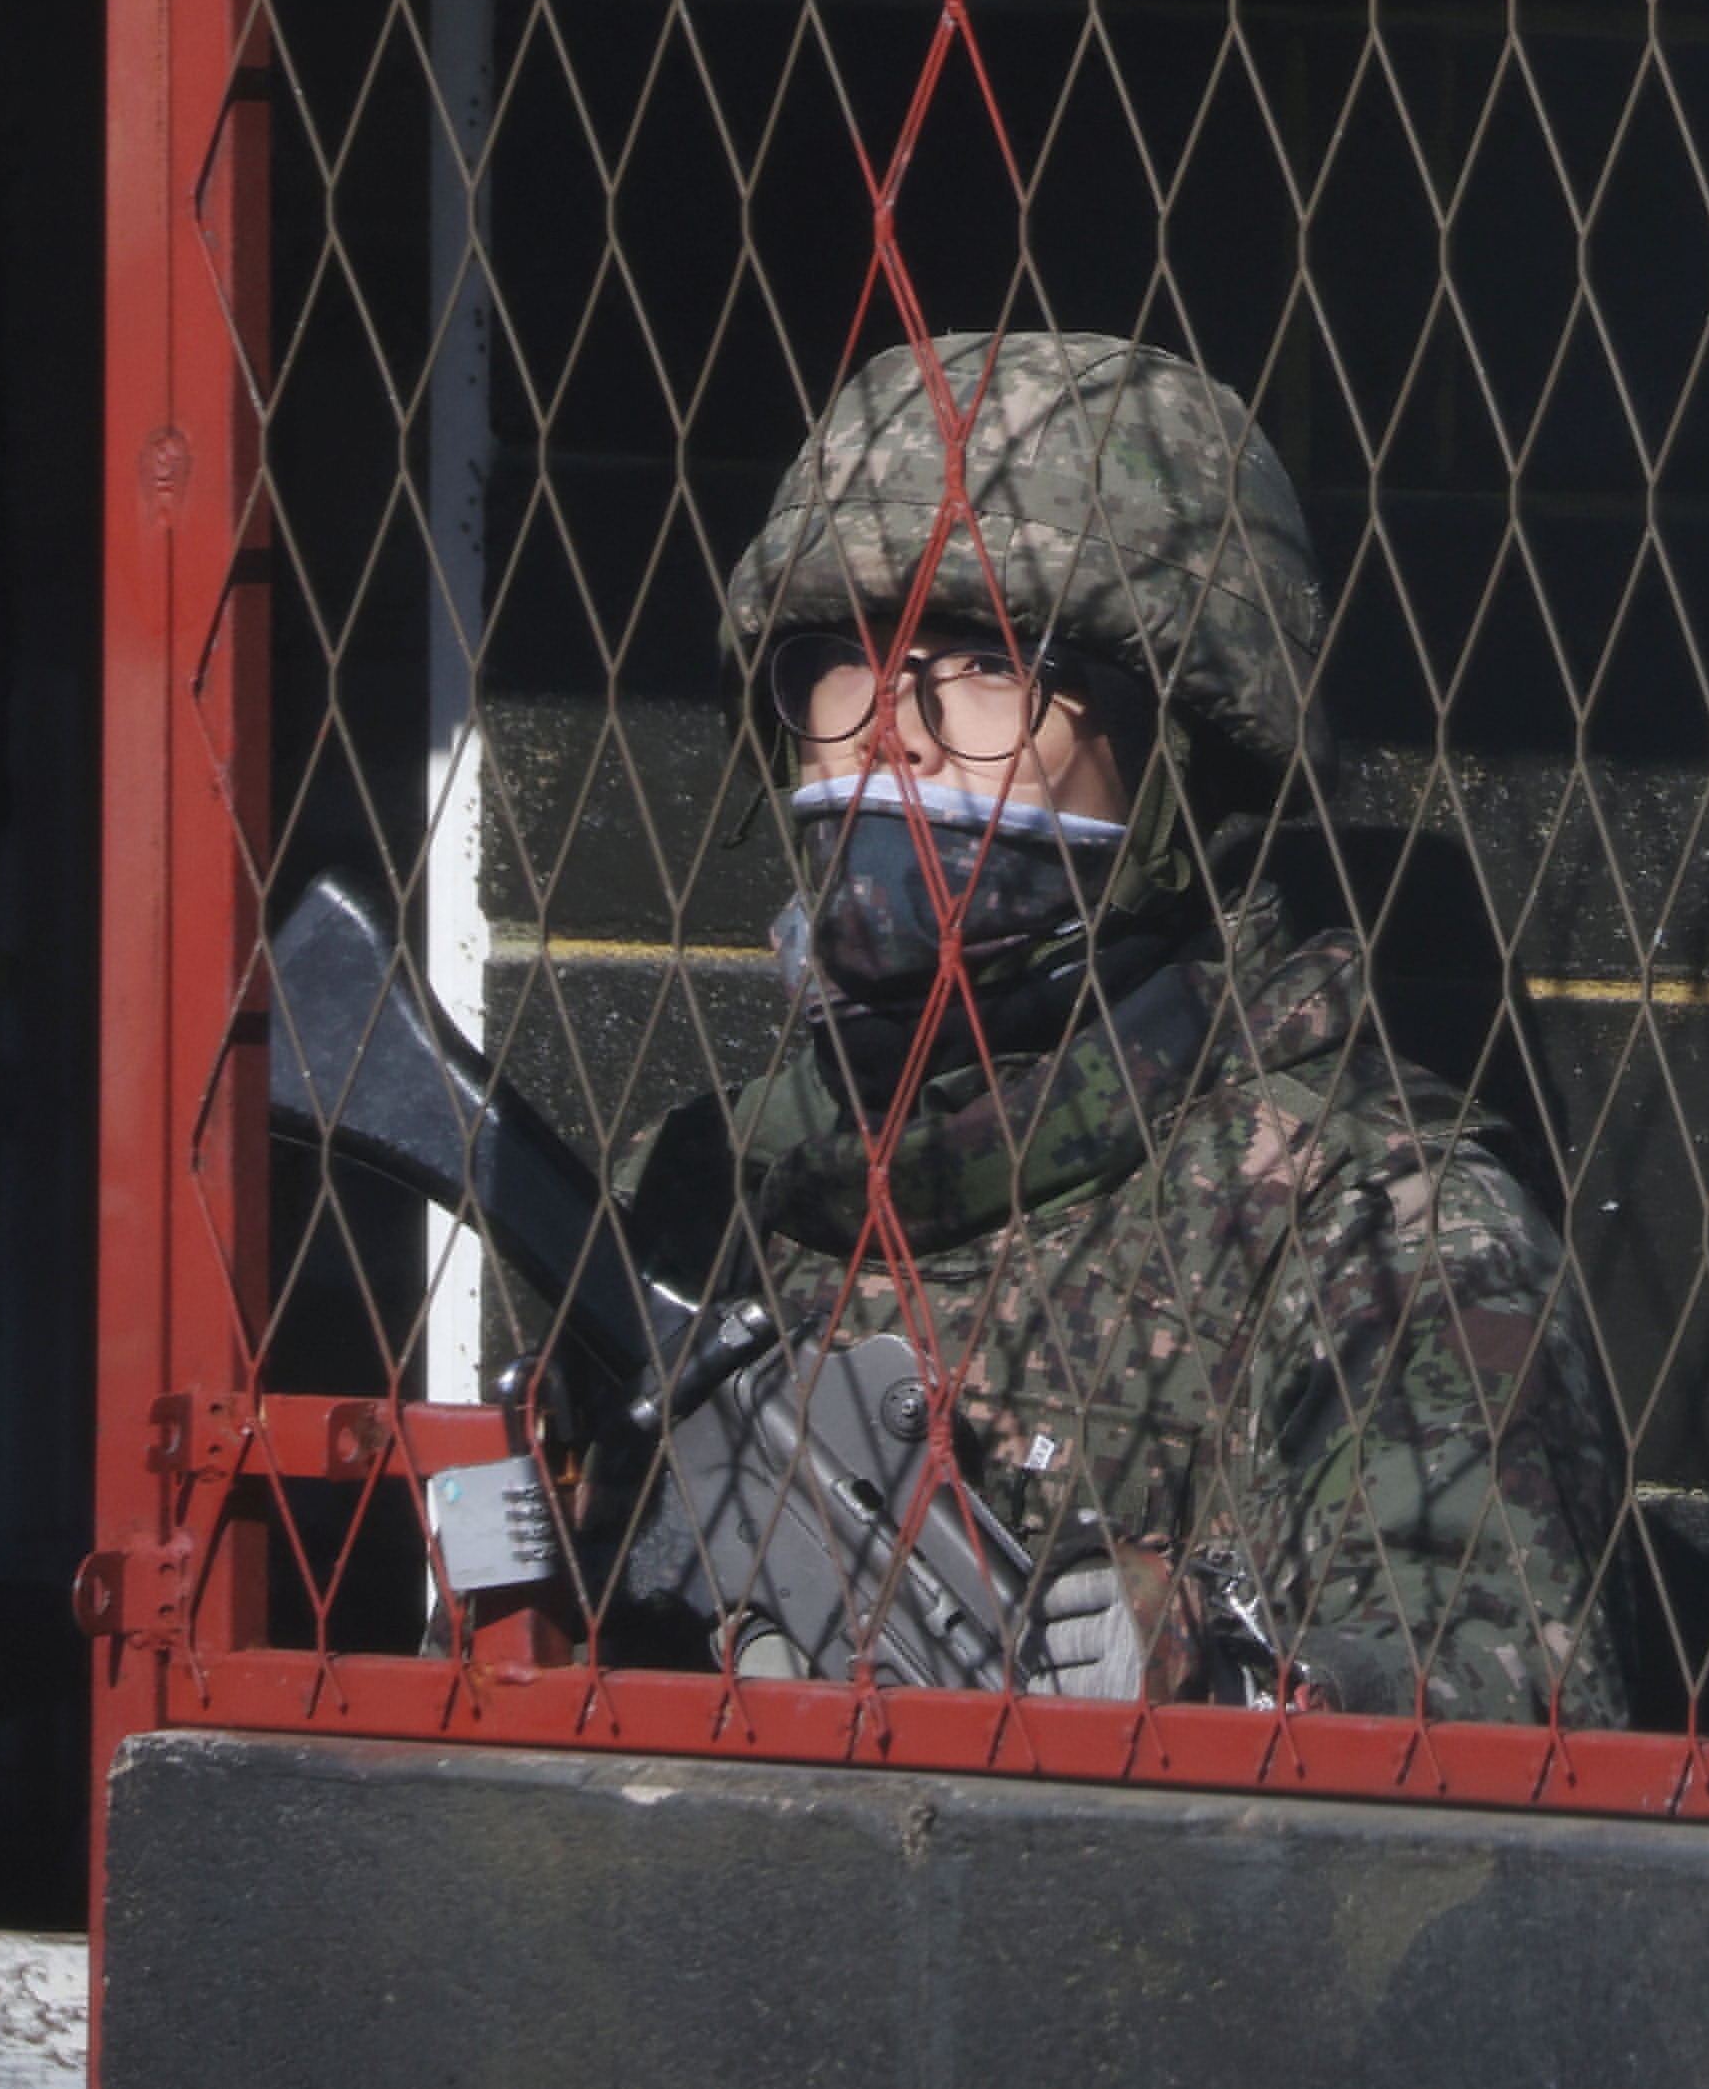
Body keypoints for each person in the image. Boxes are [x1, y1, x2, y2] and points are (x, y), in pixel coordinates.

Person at [685, 329, 1631, 1724]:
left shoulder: (1376, 1231)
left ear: (1176, 753)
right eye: (843, 659)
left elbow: (1504, 1718)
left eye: (989, 663)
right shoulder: (718, 1189)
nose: (896, 732)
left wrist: (1209, 1668)